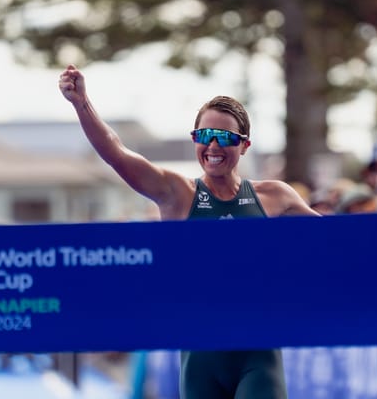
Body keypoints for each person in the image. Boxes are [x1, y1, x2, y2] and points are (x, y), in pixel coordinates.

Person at [58, 64, 319, 399]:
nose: (212, 146)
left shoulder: (275, 196)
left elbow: (339, 242)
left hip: (258, 353)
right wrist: (83, 104)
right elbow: (116, 154)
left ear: (244, 146)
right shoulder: (177, 194)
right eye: (203, 136)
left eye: (224, 137)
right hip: (200, 358)